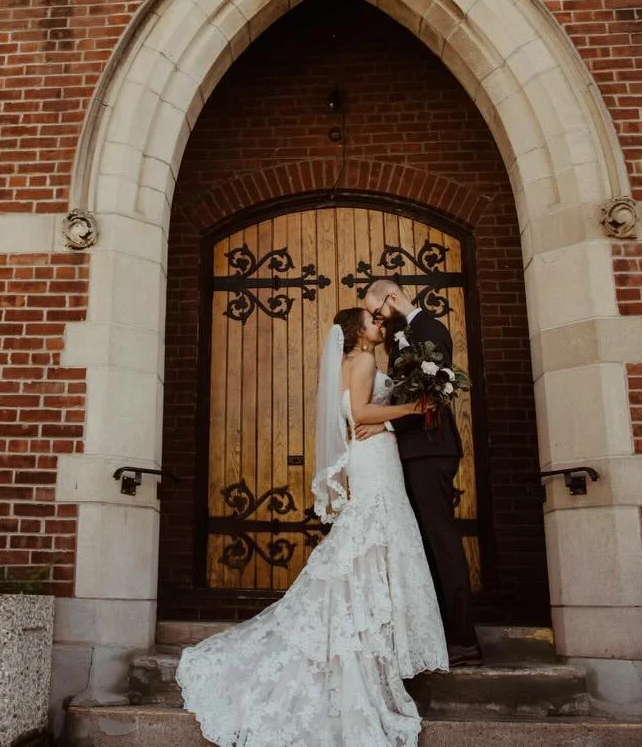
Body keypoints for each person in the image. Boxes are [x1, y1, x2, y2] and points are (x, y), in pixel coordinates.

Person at [177, 307, 447, 747]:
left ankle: (367, 630)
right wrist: (413, 408)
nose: (381, 324)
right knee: (377, 534)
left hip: (369, 456)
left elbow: (355, 412)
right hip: (375, 457)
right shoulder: (364, 360)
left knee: (371, 537)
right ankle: (370, 632)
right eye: (373, 320)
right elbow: (359, 412)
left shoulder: (348, 361)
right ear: (357, 331)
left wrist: (388, 414)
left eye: (381, 320)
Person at [363, 279, 481, 666]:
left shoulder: (430, 329)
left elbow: (430, 396)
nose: (379, 320)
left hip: (431, 449)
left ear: (392, 298)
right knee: (425, 544)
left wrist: (386, 424)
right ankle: (437, 633)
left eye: (378, 312)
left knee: (441, 541)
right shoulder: (404, 336)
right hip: (414, 452)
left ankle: (464, 640)